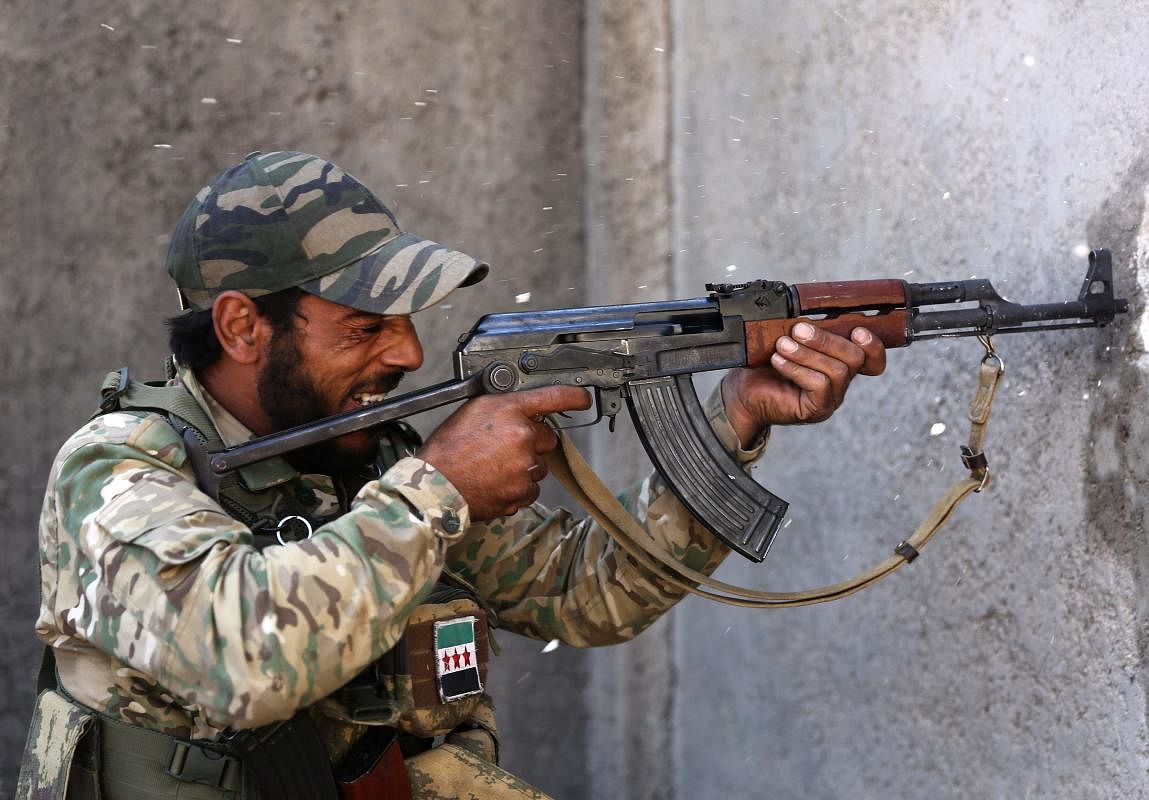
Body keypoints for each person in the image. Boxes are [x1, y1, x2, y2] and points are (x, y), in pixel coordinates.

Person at [18, 151, 885, 799]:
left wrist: (734, 416)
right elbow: (241, 655)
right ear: (244, 328)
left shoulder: (373, 460)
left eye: (405, 318)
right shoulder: (120, 468)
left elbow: (586, 590)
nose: (411, 352)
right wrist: (440, 490)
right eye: (365, 327)